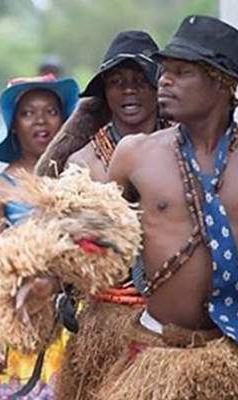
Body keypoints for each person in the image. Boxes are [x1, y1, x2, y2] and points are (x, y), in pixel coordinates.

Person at [18, 15, 238, 400]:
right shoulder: (136, 155)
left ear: (221, 81)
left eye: (180, 71)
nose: (165, 80)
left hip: (229, 353)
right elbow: (92, 236)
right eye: (164, 71)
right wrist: (49, 279)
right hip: (154, 352)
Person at [34, 30, 163, 400]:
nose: (129, 91)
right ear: (105, 92)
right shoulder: (81, 164)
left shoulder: (180, 153)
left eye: (141, 81)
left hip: (171, 325)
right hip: (102, 322)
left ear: (158, 88)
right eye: (118, 82)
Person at [0, 74, 79, 399]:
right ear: (13, 125)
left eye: (50, 111)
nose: (41, 120)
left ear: (64, 119)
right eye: (28, 112)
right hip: (22, 324)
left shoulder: (79, 179)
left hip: (76, 323)